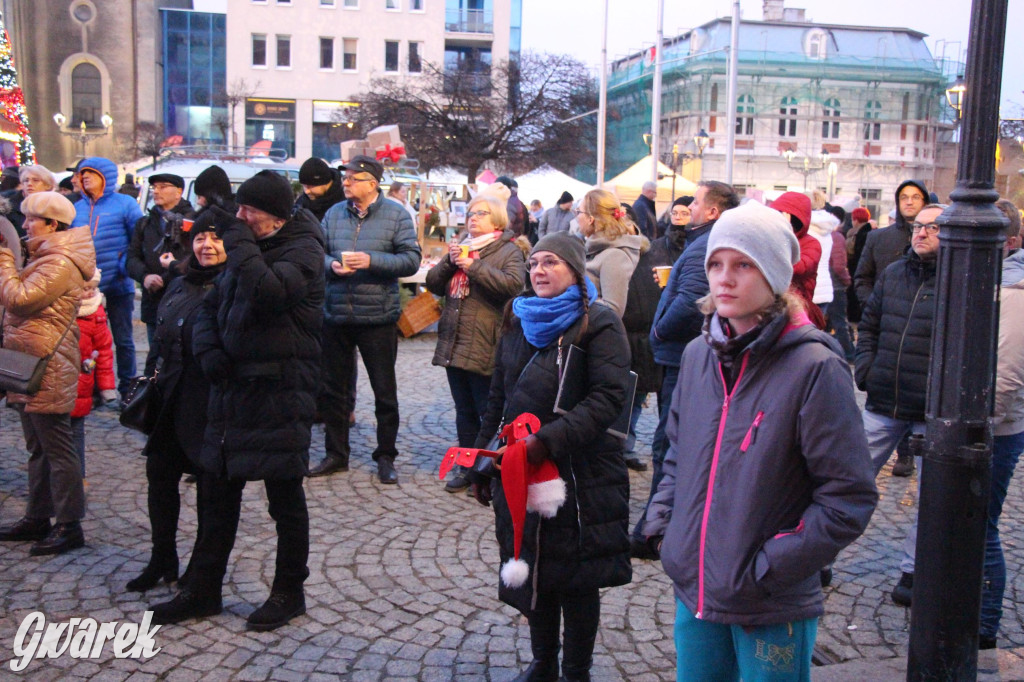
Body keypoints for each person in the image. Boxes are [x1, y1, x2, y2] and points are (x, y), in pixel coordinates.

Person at [644, 200, 877, 681]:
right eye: (715, 264)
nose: (724, 278)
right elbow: (677, 457)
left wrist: (770, 566)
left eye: (743, 264)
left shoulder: (814, 367)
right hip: (697, 586)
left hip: (770, 600)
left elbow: (847, 498)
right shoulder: (696, 355)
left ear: (773, 274)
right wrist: (668, 531)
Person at [150, 170, 325, 630]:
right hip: (230, 390)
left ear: (276, 217)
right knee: (215, 494)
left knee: (283, 498)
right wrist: (208, 351)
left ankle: (289, 591)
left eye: (249, 212)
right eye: (240, 210)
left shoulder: (304, 250)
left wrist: (240, 241)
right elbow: (210, 304)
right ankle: (202, 589)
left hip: (279, 390)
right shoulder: (250, 245)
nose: (240, 218)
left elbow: (267, 292)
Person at [470, 231, 632, 682]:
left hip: (580, 474)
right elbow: (499, 398)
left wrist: (548, 441)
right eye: (535, 263)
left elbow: (608, 398)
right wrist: (485, 462)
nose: (539, 271)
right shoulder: (517, 317)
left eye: (552, 263)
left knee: (577, 580)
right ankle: (543, 663)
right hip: (521, 467)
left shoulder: (598, 322)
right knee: (535, 569)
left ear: (576, 272)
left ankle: (576, 671)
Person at [126, 210, 228, 593]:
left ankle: (199, 573)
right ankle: (162, 558)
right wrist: (150, 379)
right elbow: (161, 340)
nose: (207, 245)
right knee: (160, 478)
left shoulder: (232, 285)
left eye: (216, 238)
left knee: (208, 489)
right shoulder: (180, 282)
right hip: (169, 397)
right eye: (201, 237)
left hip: (207, 403)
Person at [637, 181, 739, 558]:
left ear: (712, 210)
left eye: (696, 202)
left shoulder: (703, 246)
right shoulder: (703, 241)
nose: (690, 207)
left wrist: (658, 330)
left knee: (669, 442)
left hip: (679, 355)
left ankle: (654, 529)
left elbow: (691, 303)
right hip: (677, 352)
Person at [854, 203, 946, 608]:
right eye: (917, 226)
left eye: (932, 227)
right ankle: (818, 554)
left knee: (932, 497)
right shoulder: (894, 274)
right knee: (847, 478)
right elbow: (869, 325)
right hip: (884, 400)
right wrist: (866, 369)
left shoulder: (960, 280)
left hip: (932, 409)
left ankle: (914, 569)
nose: (921, 233)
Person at [308, 155, 421, 484]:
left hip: (377, 317)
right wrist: (331, 265)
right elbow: (318, 252)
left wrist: (371, 260)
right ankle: (336, 454)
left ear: (372, 183)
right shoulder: (333, 214)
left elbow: (410, 260)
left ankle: (386, 456)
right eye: (345, 178)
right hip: (336, 314)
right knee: (333, 391)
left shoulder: (397, 214)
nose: (345, 183)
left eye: (353, 178)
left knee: (384, 392)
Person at [0, 191, 97, 556]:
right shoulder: (46, 256)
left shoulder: (60, 261)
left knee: (58, 450)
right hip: (31, 361)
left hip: (50, 364)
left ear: (52, 224)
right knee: (38, 448)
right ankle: (37, 517)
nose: (24, 226)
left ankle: (69, 525)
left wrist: (4, 261)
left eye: (31, 220)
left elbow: (20, 299)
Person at [426, 191, 525, 493]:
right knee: (464, 410)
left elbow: (513, 286)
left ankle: (488, 470)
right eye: (470, 214)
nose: (473, 218)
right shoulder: (463, 247)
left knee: (489, 412)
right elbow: (433, 284)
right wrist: (451, 263)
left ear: (496, 218)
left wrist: (472, 267)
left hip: (486, 343)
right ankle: (466, 467)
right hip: (455, 343)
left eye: (480, 213)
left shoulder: (509, 251)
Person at [980, 199, 1024, 650]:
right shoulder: (998, 282)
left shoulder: (1013, 292)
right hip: (991, 425)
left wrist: (979, 431)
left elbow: (1006, 374)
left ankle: (983, 626)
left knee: (981, 527)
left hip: (997, 430)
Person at [621, 197, 691, 475]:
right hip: (654, 328)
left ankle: (671, 452)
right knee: (641, 394)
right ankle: (633, 447)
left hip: (669, 328)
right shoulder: (656, 248)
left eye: (685, 212)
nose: (679, 217)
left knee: (664, 397)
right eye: (675, 212)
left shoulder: (696, 247)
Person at [73, 157, 145, 399]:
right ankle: (91, 390)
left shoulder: (125, 204)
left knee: (123, 341)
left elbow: (139, 240)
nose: (85, 178)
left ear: (105, 178)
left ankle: (127, 390)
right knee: (87, 344)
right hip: (86, 291)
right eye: (83, 174)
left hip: (118, 285)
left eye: (91, 174)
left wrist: (124, 267)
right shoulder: (77, 208)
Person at [127, 173, 195, 344]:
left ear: (179, 191)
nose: (156, 191)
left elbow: (193, 258)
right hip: (153, 303)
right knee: (154, 361)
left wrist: (164, 279)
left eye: (163, 186)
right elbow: (132, 258)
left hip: (183, 301)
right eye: (154, 187)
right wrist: (145, 277)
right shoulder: (145, 223)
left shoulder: (192, 221)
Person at [854, 180, 929, 307]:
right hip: (884, 317)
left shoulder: (934, 237)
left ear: (925, 202)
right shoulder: (877, 237)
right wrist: (872, 307)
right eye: (904, 197)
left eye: (915, 197)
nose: (909, 202)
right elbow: (862, 278)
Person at [70, 268, 117, 473]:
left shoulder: (96, 313)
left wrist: (107, 388)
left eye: (93, 288)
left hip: (83, 379)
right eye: (84, 288)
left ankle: (78, 476)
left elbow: (104, 351)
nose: (89, 293)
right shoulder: (63, 308)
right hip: (61, 378)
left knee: (77, 429)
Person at [578, 188, 644, 318]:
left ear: (590, 219)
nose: (576, 217)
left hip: (598, 335)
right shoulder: (597, 249)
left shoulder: (614, 256)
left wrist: (574, 303)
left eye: (578, 212)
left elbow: (613, 310)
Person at [845, 206, 873, 324]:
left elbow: (852, 254)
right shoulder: (869, 233)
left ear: (856, 220)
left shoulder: (859, 235)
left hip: (856, 271)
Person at [295, 157, 345, 222]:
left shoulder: (344, 203)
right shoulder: (301, 203)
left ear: (325, 183)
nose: (306, 191)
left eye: (310, 187)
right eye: (304, 186)